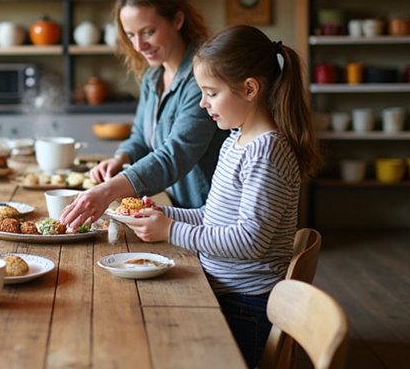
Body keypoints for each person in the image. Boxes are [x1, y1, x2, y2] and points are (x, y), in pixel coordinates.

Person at [126, 24, 321, 367]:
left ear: (250, 89)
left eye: (211, 93)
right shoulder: (235, 141)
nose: (203, 103)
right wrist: (166, 215)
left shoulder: (266, 152)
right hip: (225, 290)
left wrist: (170, 231)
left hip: (246, 305)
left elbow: (249, 241)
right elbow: (212, 216)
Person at [61, 0, 228, 230]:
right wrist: (121, 157)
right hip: (174, 208)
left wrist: (108, 190)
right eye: (130, 35)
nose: (139, 46)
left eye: (148, 32)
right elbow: (140, 135)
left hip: (207, 219)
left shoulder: (201, 79)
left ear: (178, 20)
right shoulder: (153, 76)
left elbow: (174, 155)